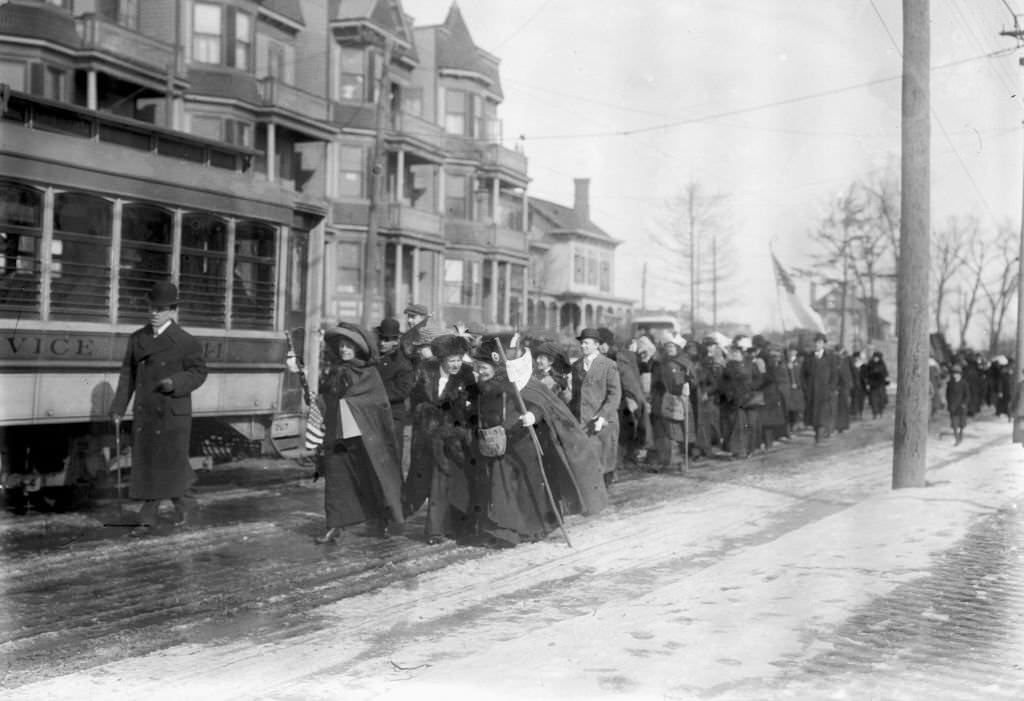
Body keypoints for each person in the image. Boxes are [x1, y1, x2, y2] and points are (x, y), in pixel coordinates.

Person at [468, 340, 607, 547]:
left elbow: (544, 405)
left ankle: (534, 528)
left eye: (484, 367)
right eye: (478, 367)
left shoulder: (526, 383)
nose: (480, 371)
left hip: (526, 444)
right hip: (500, 443)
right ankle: (505, 531)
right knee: (502, 487)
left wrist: (533, 415)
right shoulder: (490, 385)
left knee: (529, 488)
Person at [109, 281, 208, 536]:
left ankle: (149, 517)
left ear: (172, 310)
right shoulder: (138, 338)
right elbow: (127, 374)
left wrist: (175, 382)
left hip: (172, 411)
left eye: (161, 309)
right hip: (147, 411)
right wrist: (119, 407)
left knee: (168, 462)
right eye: (152, 308)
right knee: (154, 462)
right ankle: (183, 507)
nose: (154, 313)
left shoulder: (185, 341)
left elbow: (199, 372)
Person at [313, 323, 405, 544]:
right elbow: (328, 399)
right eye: (341, 346)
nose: (344, 350)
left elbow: (377, 404)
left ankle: (380, 521)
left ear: (358, 348)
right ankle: (334, 526)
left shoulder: (369, 373)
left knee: (372, 477)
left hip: (364, 436)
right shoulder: (335, 371)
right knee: (336, 479)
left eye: (348, 345)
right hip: (338, 433)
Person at [404, 333, 478, 544]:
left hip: (454, 438)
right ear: (441, 360)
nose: (455, 364)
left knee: (449, 483)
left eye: (458, 359)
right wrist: (424, 412)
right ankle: (432, 529)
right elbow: (414, 401)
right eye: (451, 361)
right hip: (428, 436)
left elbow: (473, 406)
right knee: (430, 481)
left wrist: (460, 425)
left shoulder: (466, 376)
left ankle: (444, 529)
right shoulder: (426, 373)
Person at [569, 328, 622, 486]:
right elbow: (576, 397)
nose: (582, 346)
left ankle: (606, 499)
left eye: (586, 343)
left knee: (605, 463)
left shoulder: (609, 365)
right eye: (581, 343)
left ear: (597, 345)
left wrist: (603, 416)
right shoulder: (577, 366)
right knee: (589, 463)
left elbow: (615, 395)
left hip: (603, 422)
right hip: (583, 422)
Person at [649, 334, 693, 472]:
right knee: (666, 432)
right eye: (667, 346)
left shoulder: (684, 362)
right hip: (665, 399)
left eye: (672, 346)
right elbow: (656, 381)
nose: (669, 349)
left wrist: (687, 385)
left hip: (680, 400)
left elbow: (693, 379)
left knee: (677, 431)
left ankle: (680, 460)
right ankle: (667, 460)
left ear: (678, 347)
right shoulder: (661, 362)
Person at [374, 318, 414, 471]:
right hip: (374, 414)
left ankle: (396, 493)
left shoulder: (402, 362)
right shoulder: (375, 358)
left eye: (386, 340)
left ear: (396, 341)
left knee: (391, 458)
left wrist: (377, 395)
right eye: (381, 338)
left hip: (393, 415)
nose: (382, 343)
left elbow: (403, 390)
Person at [802, 333, 838, 444]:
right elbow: (803, 375)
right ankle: (817, 432)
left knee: (822, 414)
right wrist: (806, 388)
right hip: (812, 391)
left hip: (824, 391)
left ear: (823, 344)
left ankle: (819, 435)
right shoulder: (808, 358)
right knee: (813, 415)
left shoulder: (829, 358)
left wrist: (830, 388)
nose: (817, 345)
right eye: (816, 342)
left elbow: (834, 375)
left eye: (820, 343)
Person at [946, 364, 969, 446]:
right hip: (953, 406)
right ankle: (957, 438)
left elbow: (967, 395)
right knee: (954, 423)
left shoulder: (964, 384)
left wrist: (964, 403)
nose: (954, 375)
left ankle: (961, 434)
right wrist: (949, 404)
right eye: (953, 373)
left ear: (960, 374)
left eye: (956, 373)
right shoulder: (950, 383)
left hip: (961, 406)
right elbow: (947, 395)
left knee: (961, 423)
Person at [863, 351, 889, 419]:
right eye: (875, 357)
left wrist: (881, 375)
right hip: (873, 385)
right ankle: (874, 413)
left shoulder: (882, 364)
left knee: (881, 400)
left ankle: (880, 412)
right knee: (873, 401)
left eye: (877, 357)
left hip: (881, 385)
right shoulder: (870, 364)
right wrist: (868, 381)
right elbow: (866, 374)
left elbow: (885, 373)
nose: (876, 359)